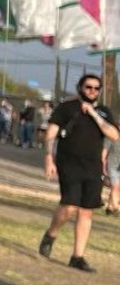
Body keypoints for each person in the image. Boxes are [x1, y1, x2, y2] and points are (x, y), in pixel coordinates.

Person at [38, 74, 120, 272]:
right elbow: (51, 134)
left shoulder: (103, 111)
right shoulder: (66, 108)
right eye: (88, 87)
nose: (92, 91)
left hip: (93, 167)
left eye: (96, 88)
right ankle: (51, 234)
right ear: (80, 88)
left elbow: (114, 135)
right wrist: (48, 157)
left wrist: (93, 114)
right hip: (69, 163)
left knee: (86, 211)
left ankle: (77, 256)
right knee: (69, 206)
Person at [104, 134, 120, 216]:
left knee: (117, 188)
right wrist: (103, 166)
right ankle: (116, 208)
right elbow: (104, 151)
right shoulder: (111, 136)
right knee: (115, 187)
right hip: (111, 165)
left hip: (119, 167)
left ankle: (110, 207)